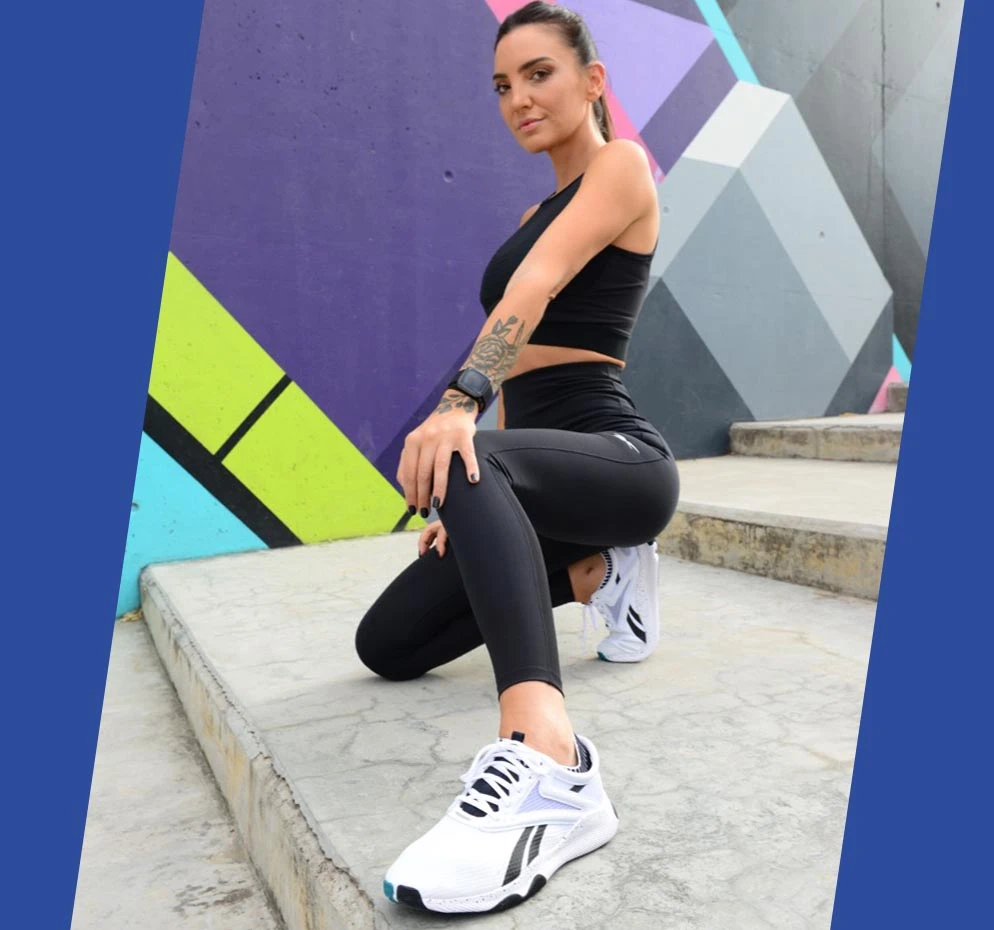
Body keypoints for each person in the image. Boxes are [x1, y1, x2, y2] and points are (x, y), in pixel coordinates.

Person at [354, 2, 680, 914]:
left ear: (593, 81)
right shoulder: (534, 209)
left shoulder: (621, 167)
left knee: (474, 460)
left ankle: (550, 763)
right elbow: (516, 343)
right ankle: (593, 571)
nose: (519, 98)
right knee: (387, 644)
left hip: (616, 456)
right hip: (535, 473)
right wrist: (478, 506)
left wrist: (460, 410)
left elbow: (535, 286)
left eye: (539, 74)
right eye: (503, 85)